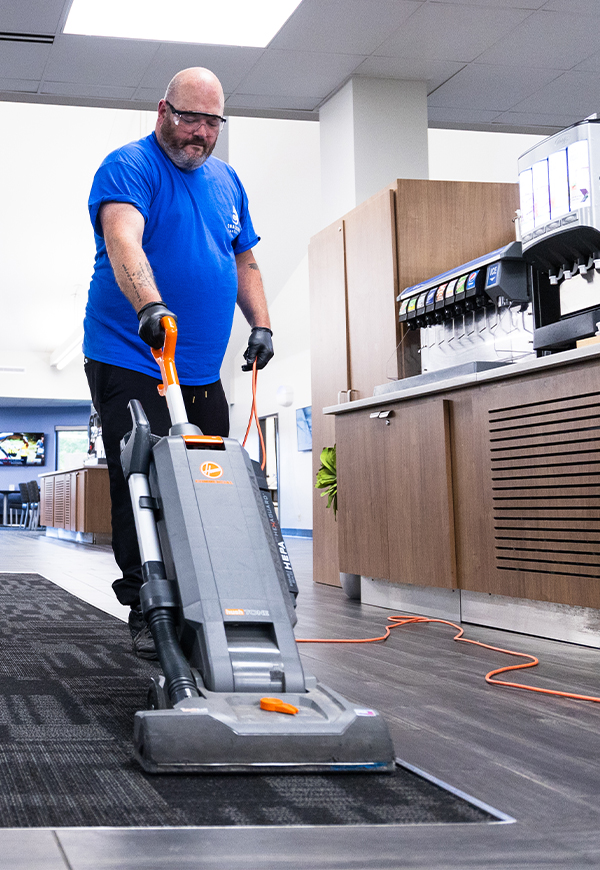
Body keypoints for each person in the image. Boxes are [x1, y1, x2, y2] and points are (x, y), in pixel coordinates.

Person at [83, 67, 274, 659]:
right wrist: (151, 304)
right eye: (189, 118)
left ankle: (201, 597)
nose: (199, 133)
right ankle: (147, 603)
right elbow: (124, 240)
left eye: (211, 122)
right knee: (139, 477)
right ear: (163, 110)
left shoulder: (226, 179)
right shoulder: (130, 165)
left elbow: (245, 261)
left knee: (205, 483)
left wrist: (261, 323)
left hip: (198, 368)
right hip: (130, 350)